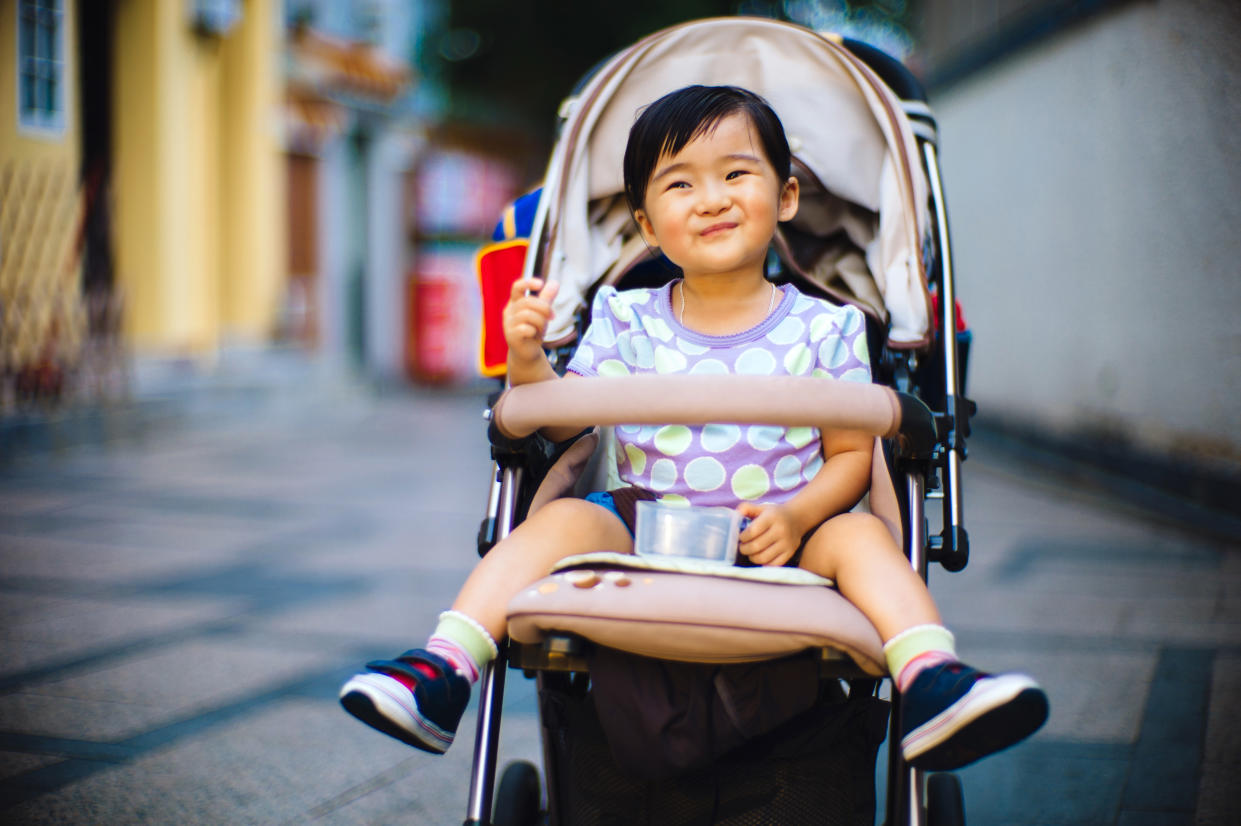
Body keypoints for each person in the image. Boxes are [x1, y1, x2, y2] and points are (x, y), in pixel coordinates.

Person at [339, 85, 1048, 771]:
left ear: (786, 196)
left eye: (736, 174)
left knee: (860, 533)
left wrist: (799, 515)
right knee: (554, 524)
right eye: (679, 186)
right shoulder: (625, 317)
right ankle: (446, 664)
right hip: (641, 523)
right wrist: (527, 361)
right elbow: (560, 417)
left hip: (782, 532)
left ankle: (929, 674)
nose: (710, 199)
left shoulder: (825, 327)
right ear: (647, 224)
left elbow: (847, 455)